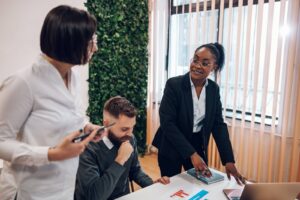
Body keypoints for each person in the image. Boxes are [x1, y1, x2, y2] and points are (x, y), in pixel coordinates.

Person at [0, 5, 102, 200]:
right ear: (70, 42)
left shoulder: (73, 76)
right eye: (91, 42)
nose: (95, 48)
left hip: (62, 186)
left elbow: (71, 115)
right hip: (29, 191)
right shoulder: (23, 83)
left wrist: (86, 127)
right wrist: (52, 154)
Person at [152, 43, 245, 184]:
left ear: (214, 67)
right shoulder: (174, 85)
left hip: (197, 143)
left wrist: (228, 160)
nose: (197, 65)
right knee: (172, 188)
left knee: (199, 185)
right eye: (195, 60)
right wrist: (191, 154)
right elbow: (167, 123)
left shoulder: (213, 89)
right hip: (171, 143)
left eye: (205, 63)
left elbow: (218, 124)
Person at [75, 96, 170, 200]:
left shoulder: (129, 138)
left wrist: (152, 185)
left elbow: (135, 171)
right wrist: (120, 160)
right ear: (106, 124)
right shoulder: (87, 148)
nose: (130, 134)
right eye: (124, 129)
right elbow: (94, 196)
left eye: (132, 127)